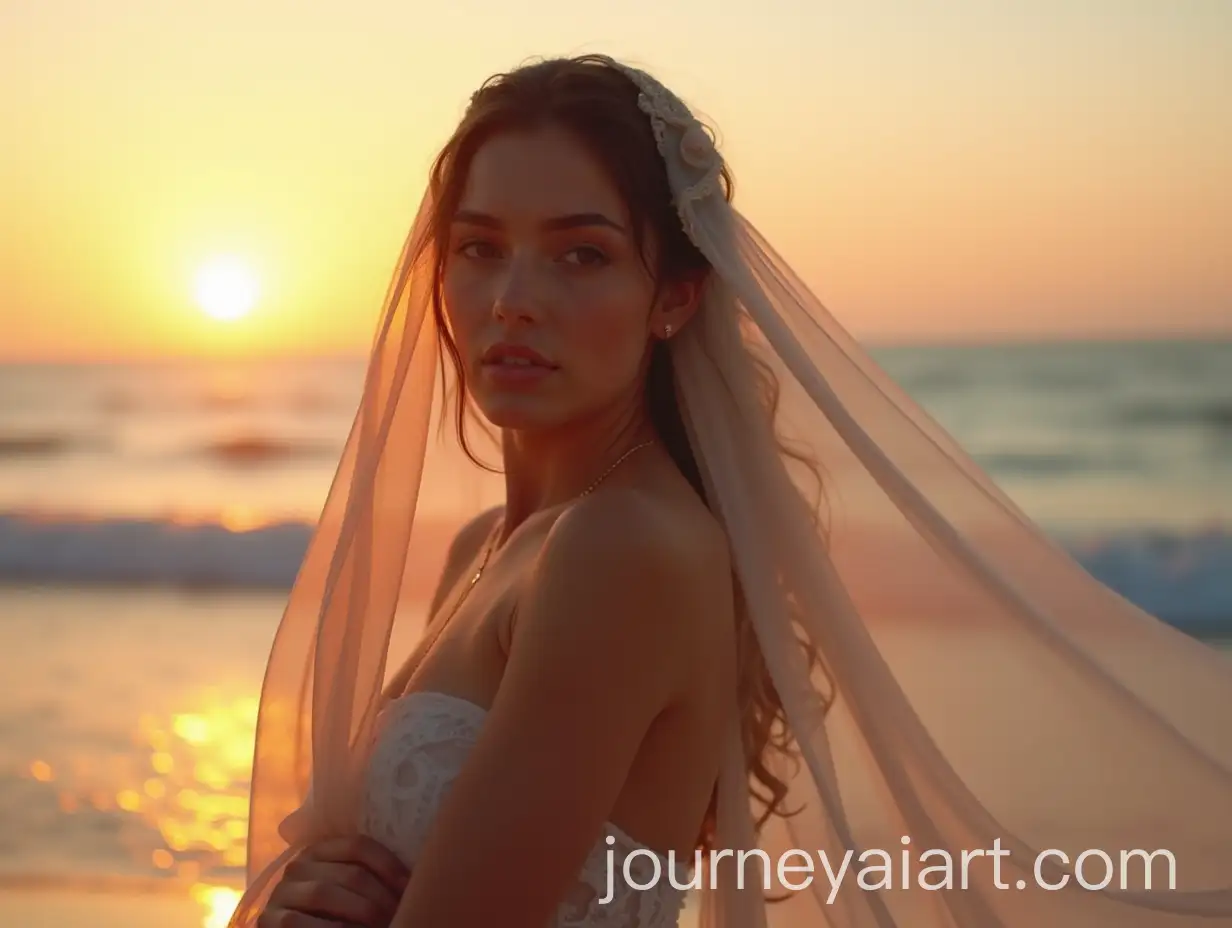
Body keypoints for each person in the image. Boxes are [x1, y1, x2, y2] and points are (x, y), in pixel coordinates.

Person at [230, 55, 1232, 928]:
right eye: (478, 247)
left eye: (580, 253)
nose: (512, 300)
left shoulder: (619, 552)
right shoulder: (489, 546)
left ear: (673, 294)